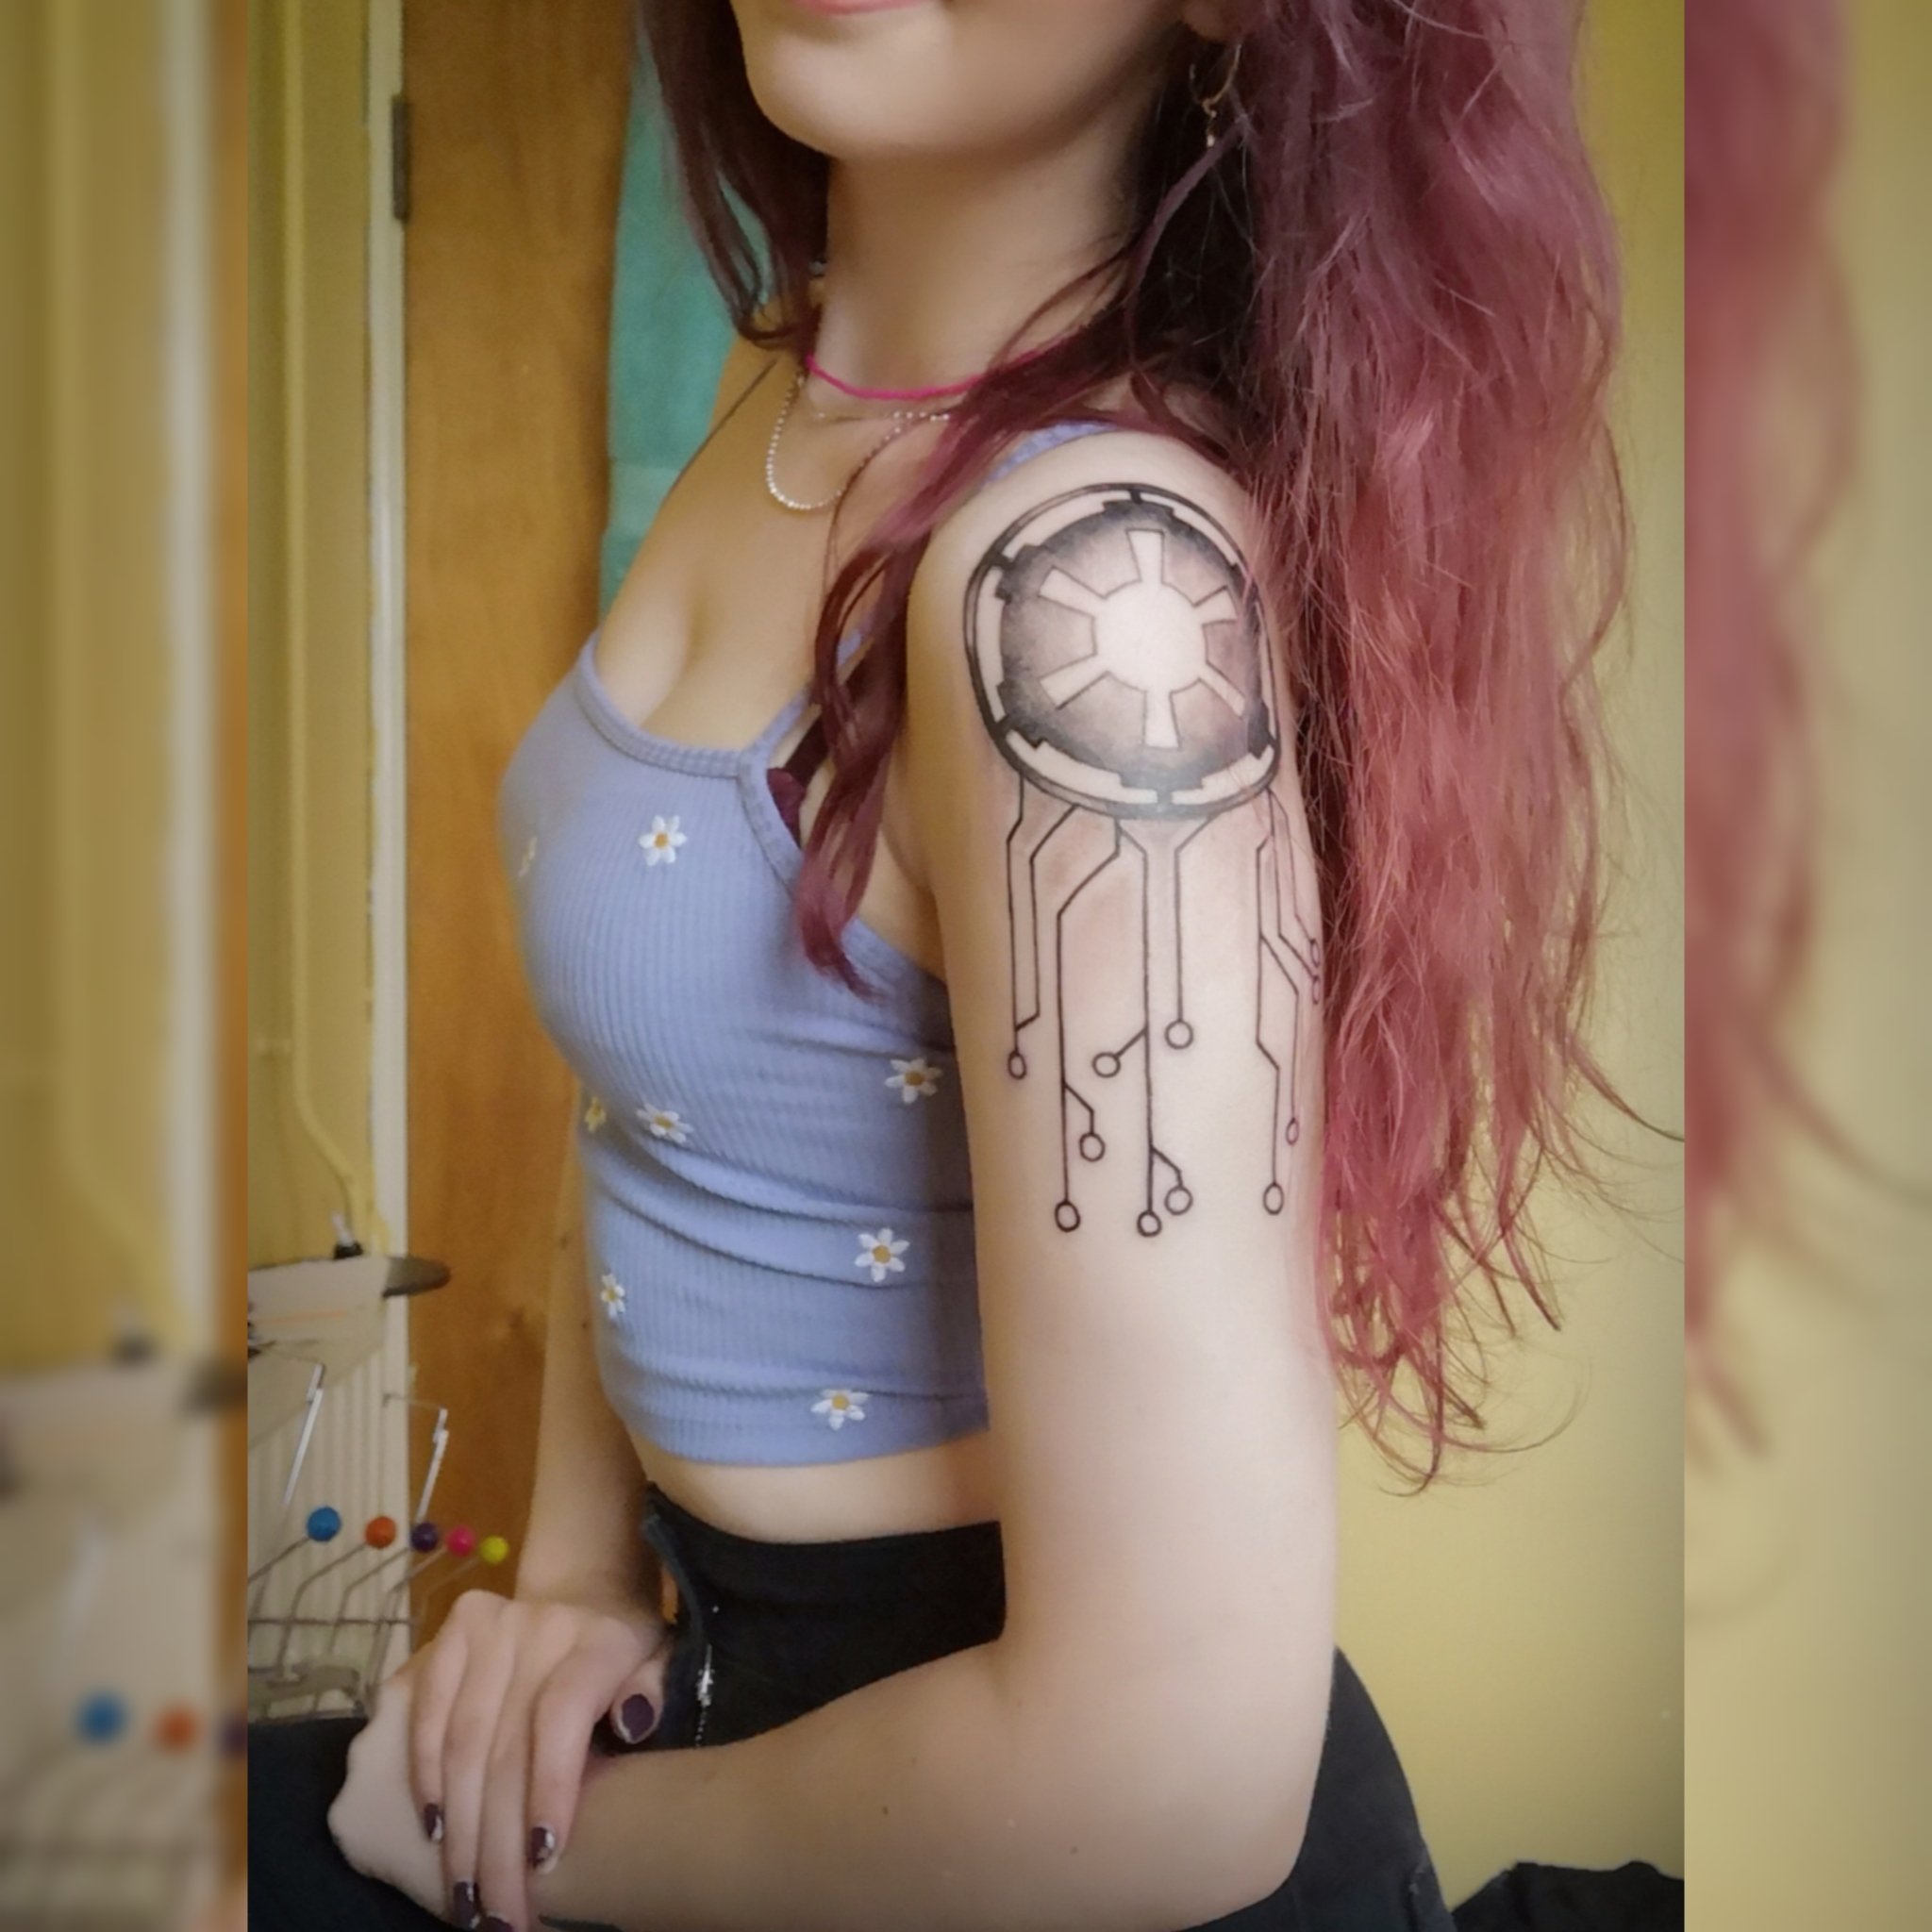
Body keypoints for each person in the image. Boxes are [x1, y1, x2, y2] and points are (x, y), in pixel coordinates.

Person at [260, 3, 1626, 1928]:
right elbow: (654, 1073)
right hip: (723, 1673)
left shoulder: (1093, 593)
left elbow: (1163, 1777)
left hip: (994, 1822)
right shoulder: (795, 393)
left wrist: (538, 1861)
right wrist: (574, 1578)